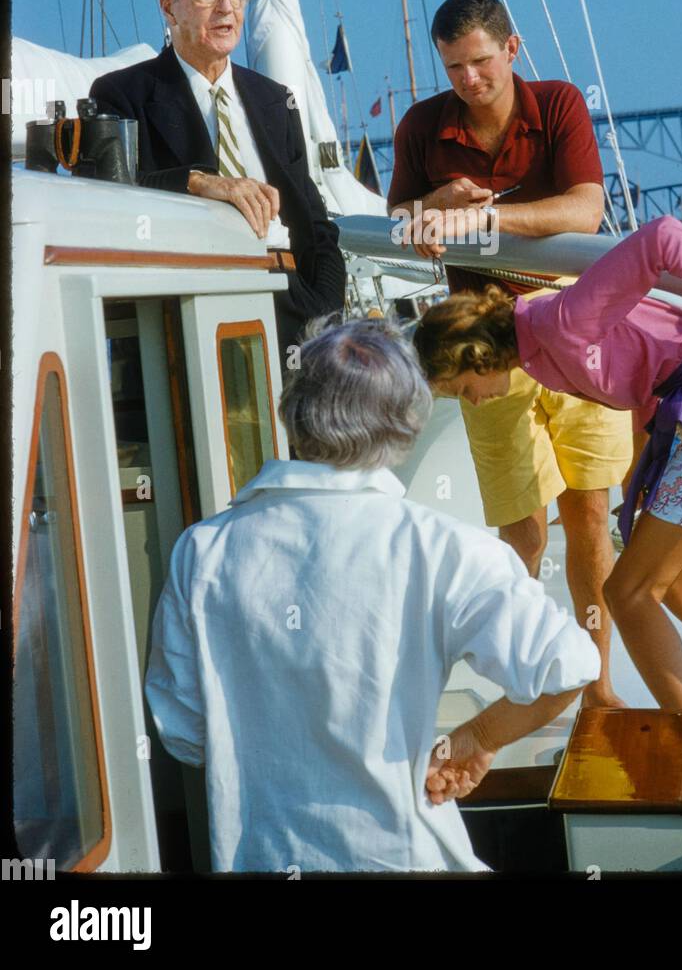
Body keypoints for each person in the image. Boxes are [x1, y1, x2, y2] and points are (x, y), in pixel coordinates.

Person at [144, 319, 600, 874]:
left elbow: (185, 731)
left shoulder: (203, 550)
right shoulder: (441, 547)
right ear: (405, 426)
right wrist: (478, 736)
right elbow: (569, 667)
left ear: (293, 411)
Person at [414, 215, 682, 711]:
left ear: (478, 357)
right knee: (675, 585)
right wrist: (641, 482)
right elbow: (642, 377)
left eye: (464, 390)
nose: (474, 403)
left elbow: (664, 238)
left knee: (627, 593)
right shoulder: (540, 350)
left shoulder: (559, 321)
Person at [388, 0, 634, 708]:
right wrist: (432, 210)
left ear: (512, 49)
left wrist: (482, 220)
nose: (469, 80)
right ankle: (522, 679)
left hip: (576, 323)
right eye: (454, 67)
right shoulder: (421, 128)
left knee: (590, 511)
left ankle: (599, 686)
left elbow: (586, 209)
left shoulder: (556, 104)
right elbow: (398, 218)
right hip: (484, 341)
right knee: (519, 523)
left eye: (481, 62)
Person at [89, 0, 346, 369]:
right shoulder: (122, 94)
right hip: (183, 315)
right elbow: (106, 194)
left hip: (292, 310)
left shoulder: (275, 100)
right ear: (169, 7)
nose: (226, 7)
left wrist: (322, 316)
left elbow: (318, 226)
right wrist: (199, 182)